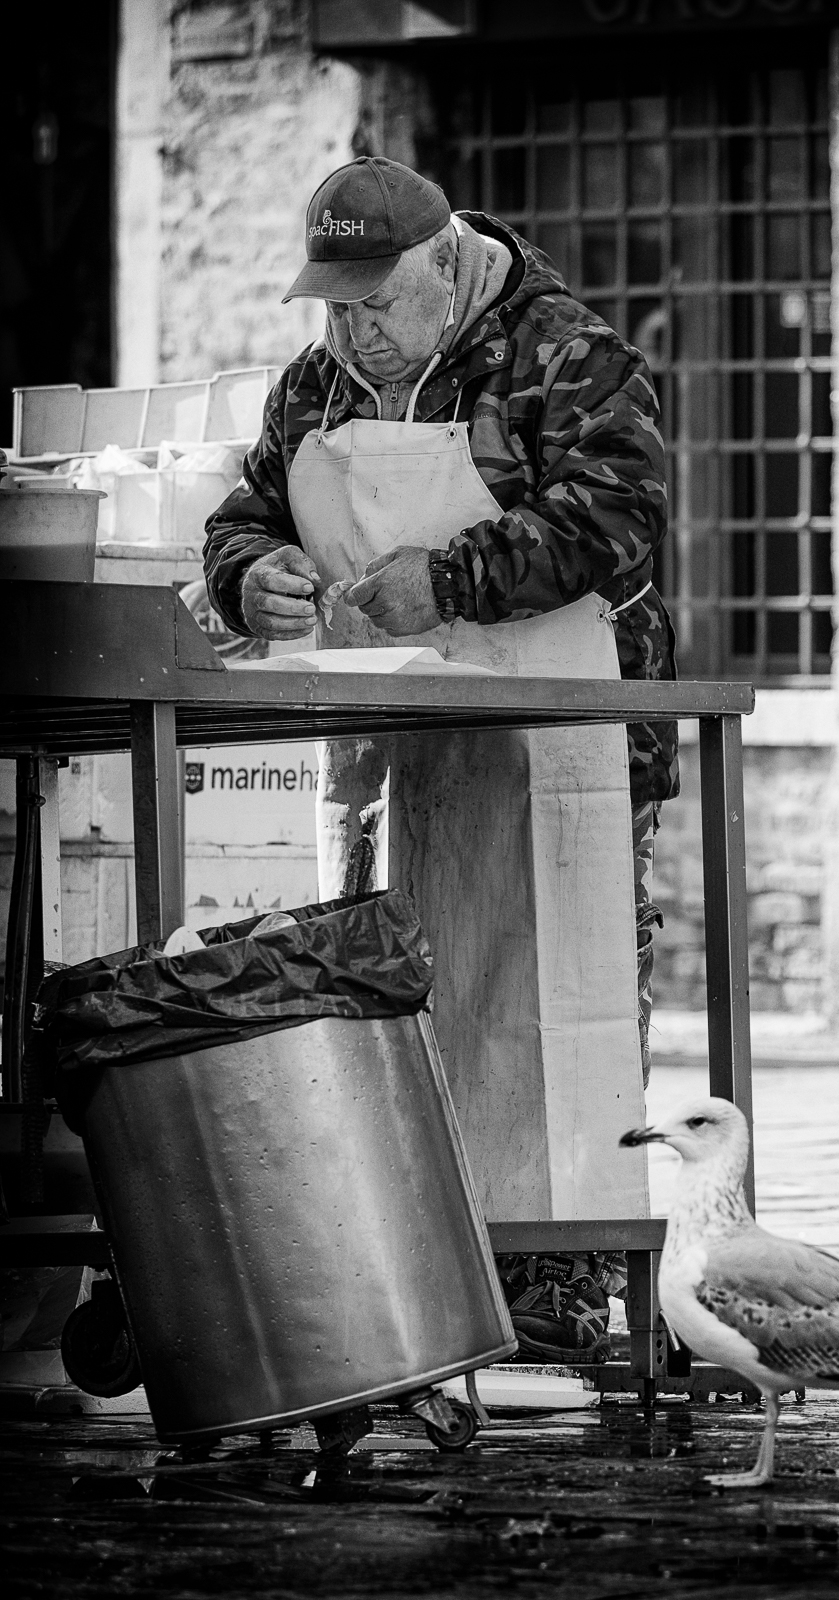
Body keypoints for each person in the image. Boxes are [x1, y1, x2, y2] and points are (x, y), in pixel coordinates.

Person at [203, 157, 677, 1360]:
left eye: (376, 301)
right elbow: (242, 512)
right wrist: (248, 577)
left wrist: (453, 577)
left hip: (558, 739)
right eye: (335, 304)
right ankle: (397, 1270)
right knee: (384, 998)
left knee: (547, 996)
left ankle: (554, 1291)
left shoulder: (566, 353)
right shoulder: (318, 382)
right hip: (386, 745)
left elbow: (618, 516)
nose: (352, 329)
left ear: (451, 263)